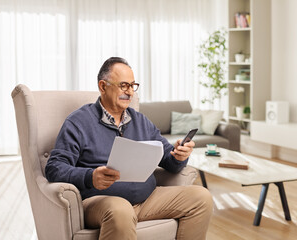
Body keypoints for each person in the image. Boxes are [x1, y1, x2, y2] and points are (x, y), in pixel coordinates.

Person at [45, 57, 213, 240]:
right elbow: (54, 168)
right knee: (121, 210)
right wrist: (90, 177)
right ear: (103, 86)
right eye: (124, 85)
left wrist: (179, 156)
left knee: (201, 197)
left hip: (148, 198)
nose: (130, 92)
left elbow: (168, 159)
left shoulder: (140, 120)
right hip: (100, 201)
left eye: (133, 85)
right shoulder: (78, 122)